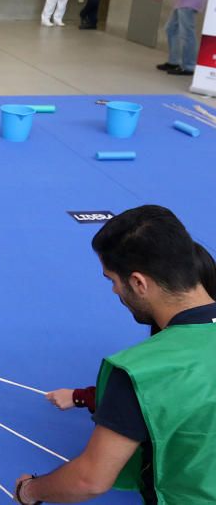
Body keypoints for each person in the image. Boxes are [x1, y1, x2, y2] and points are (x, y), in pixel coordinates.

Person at [13, 205, 216, 505]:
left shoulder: (140, 372)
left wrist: (28, 491)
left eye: (112, 280)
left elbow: (89, 480)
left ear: (138, 283)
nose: (114, 291)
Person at [44, 241, 216, 414]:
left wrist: (81, 397)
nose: (115, 290)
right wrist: (80, 396)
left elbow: (149, 401)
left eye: (113, 280)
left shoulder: (163, 359)